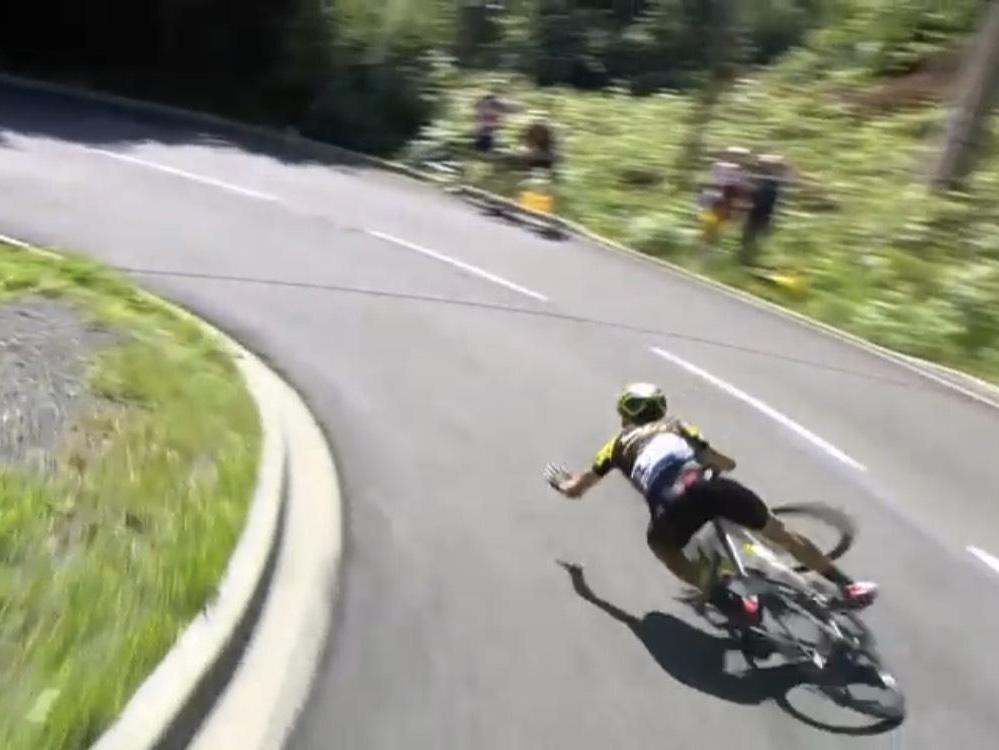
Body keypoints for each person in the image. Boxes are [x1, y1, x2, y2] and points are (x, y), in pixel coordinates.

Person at [543, 383, 877, 622]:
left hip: (672, 507)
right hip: (713, 490)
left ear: (624, 414)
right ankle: (848, 588)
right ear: (660, 409)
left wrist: (560, 482)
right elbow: (724, 462)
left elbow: (576, 489)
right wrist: (715, 464)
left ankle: (731, 601)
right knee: (782, 535)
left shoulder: (615, 447)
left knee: (665, 551)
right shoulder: (676, 426)